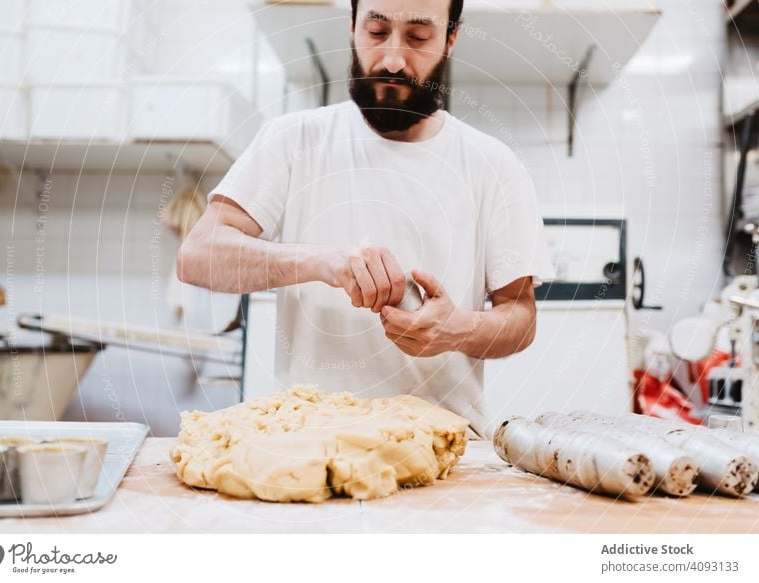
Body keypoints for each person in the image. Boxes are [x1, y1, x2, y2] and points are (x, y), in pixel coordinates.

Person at [177, 0, 555, 438]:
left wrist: (457, 330)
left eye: (418, 37)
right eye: (376, 33)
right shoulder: (293, 141)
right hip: (311, 442)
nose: (393, 60)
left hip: (448, 452)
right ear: (351, 26)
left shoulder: (493, 164)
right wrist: (322, 262)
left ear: (451, 37)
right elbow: (198, 256)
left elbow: (520, 318)